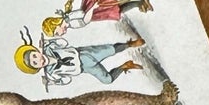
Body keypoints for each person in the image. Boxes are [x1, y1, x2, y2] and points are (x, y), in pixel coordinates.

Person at [14, 31, 144, 86]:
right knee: (107, 80)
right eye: (35, 63)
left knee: (110, 49)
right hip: (85, 67)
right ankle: (124, 67)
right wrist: (53, 81)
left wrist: (50, 42)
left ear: (36, 51)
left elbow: (64, 43)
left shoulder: (49, 49)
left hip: (84, 54)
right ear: (37, 68)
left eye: (35, 56)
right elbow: (66, 80)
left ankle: (129, 44)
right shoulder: (52, 72)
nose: (39, 59)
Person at [43, 0, 151, 37]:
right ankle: (139, 3)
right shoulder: (69, 22)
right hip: (92, 9)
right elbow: (84, 18)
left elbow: (85, 19)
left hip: (93, 9)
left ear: (55, 25)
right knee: (116, 8)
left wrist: (93, 7)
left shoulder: (70, 21)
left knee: (117, 9)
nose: (59, 35)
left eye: (56, 33)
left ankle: (140, 3)